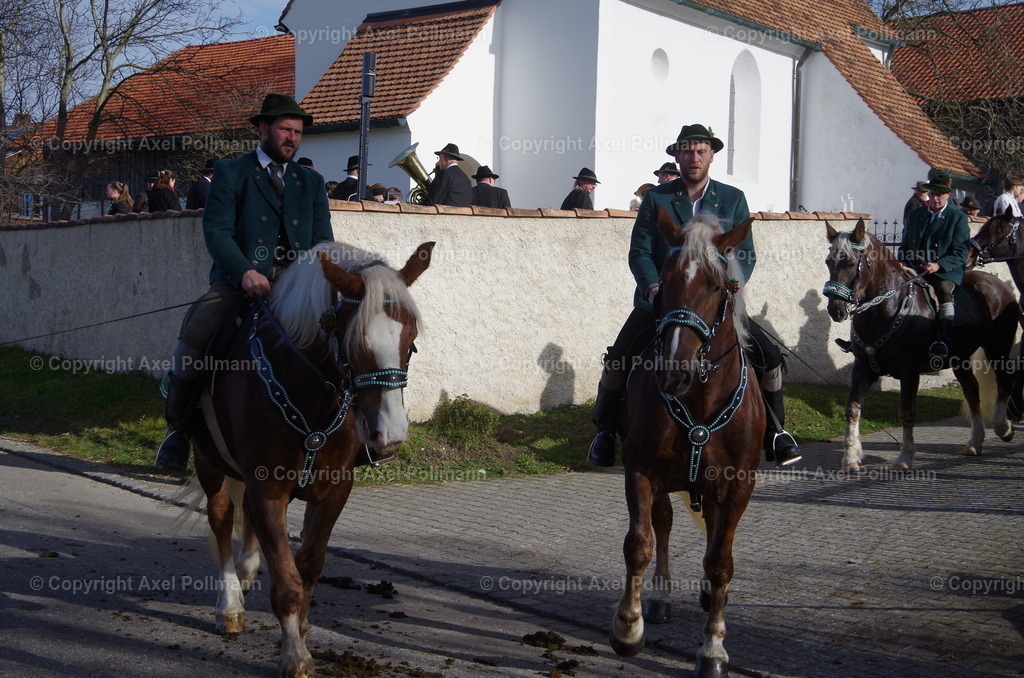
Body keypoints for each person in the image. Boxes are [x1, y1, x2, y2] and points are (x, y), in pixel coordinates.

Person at [587, 123, 801, 468]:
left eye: (701, 150)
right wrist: (654, 288)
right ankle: (604, 432)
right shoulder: (658, 198)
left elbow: (744, 253)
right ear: (677, 155)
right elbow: (640, 251)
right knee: (618, 359)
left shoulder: (733, 198)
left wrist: (731, 288)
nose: (694, 157)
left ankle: (776, 433)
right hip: (663, 302)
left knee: (770, 358)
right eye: (687, 151)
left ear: (712, 155)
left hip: (714, 302)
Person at [155, 93, 334, 472]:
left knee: (345, 334)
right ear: (263, 128)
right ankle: (178, 431)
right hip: (240, 284)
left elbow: (323, 242)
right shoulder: (231, 171)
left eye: (298, 132)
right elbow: (217, 233)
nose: (292, 138)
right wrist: (245, 272)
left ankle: (353, 433)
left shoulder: (312, 181)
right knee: (197, 333)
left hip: (298, 289)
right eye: (285, 129)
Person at [898, 170, 970, 360]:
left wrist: (939, 265)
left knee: (944, 291)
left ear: (948, 195)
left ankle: (942, 340)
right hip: (915, 267)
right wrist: (902, 259)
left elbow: (961, 252)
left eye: (940, 194)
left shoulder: (958, 218)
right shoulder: (916, 214)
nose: (935, 198)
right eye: (933, 194)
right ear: (928, 194)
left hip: (944, 271)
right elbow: (905, 243)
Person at [426, 143, 472, 207]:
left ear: (444, 158)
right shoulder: (466, 179)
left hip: (445, 215)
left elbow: (433, 201)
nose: (439, 162)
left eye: (439, 158)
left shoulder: (444, 173)